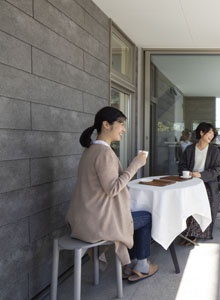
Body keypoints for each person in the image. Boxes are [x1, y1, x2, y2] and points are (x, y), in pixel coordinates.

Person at [65, 106, 158, 283]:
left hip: (82, 219)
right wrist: (136, 164)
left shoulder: (90, 150)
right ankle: (142, 266)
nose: (124, 129)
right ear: (106, 125)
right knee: (146, 217)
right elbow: (113, 189)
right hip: (97, 223)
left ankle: (131, 264)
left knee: (134, 216)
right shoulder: (104, 152)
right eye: (121, 124)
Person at [178, 122, 220, 243]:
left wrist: (201, 175)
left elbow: (216, 169)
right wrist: (187, 173)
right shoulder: (190, 149)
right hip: (190, 182)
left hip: (207, 183)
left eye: (213, 133)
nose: (212, 135)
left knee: (204, 197)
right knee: (184, 197)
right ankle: (185, 230)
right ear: (201, 133)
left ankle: (194, 233)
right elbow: (182, 165)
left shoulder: (214, 150)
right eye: (209, 132)